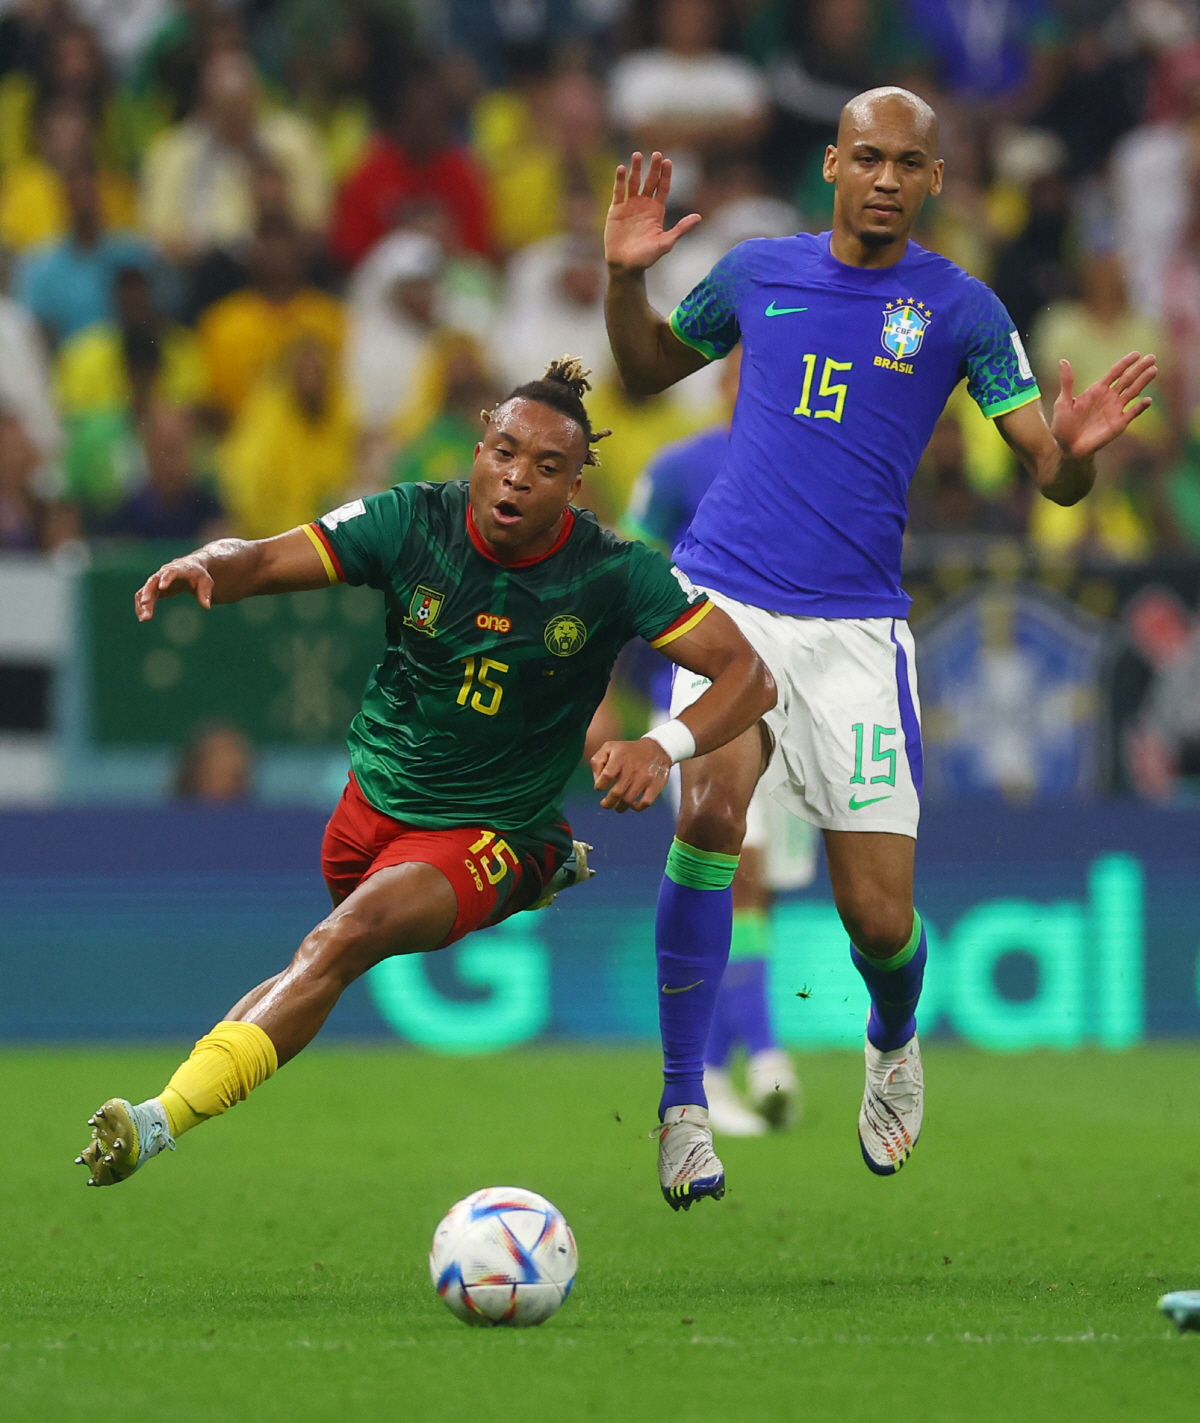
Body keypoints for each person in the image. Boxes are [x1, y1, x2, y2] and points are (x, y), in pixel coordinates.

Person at [603, 89, 1156, 1204]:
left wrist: (1079, 456)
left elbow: (1051, 474)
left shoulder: (962, 309)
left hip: (856, 629)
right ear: (832, 164)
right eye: (868, 158)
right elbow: (645, 370)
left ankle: (893, 1039)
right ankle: (683, 1104)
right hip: (725, 596)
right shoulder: (756, 272)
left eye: (909, 162)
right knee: (711, 818)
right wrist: (623, 279)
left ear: (937, 178)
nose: (887, 179)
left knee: (879, 920)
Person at [75, 357, 776, 1197]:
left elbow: (749, 674)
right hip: (369, 815)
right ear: (479, 449)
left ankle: (156, 1121)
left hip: (491, 830)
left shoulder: (613, 572)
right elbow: (257, 560)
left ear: (575, 485)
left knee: (337, 942)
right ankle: (540, 871)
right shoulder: (412, 520)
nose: (517, 477)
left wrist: (661, 745)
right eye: (504, 452)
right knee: (319, 960)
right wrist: (206, 564)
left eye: (547, 466)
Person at [627, 347, 812, 1137]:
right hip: (704, 697)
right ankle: (759, 1058)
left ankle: (719, 1067)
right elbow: (626, 573)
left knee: (759, 890)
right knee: (735, 872)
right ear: (726, 382)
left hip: (794, 698)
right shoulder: (678, 467)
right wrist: (605, 692)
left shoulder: (813, 465)